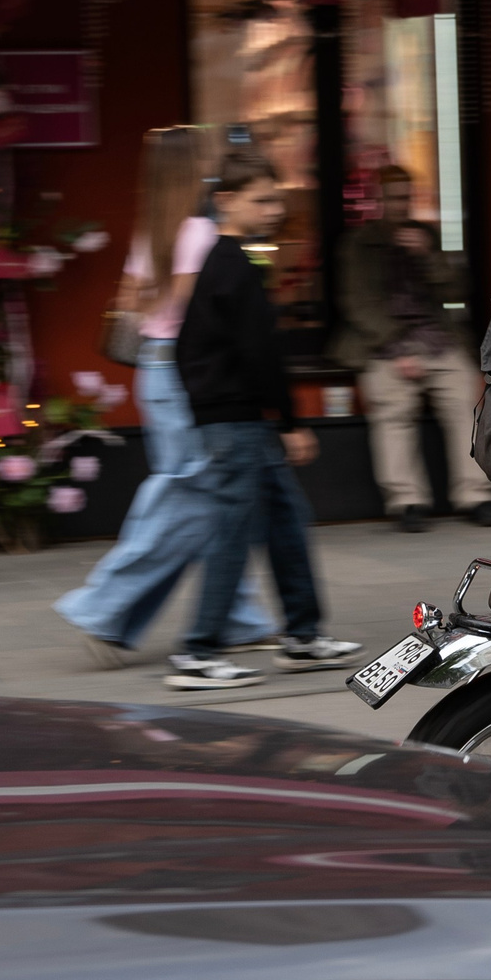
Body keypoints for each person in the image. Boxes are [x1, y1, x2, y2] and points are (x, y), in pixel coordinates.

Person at [56, 125, 275, 665]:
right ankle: (104, 607)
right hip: (185, 373)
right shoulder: (200, 230)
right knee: (189, 493)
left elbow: (134, 301)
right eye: (208, 158)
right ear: (195, 166)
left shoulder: (154, 226)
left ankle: (237, 614)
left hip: (155, 370)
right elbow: (195, 308)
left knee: (208, 492)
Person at [173, 151, 364, 690]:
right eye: (262, 199)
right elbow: (260, 352)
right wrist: (288, 421)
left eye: (276, 197)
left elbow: (191, 348)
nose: (275, 209)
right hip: (238, 422)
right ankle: (198, 651)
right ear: (226, 201)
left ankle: (302, 636)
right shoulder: (233, 264)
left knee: (285, 519)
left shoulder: (226, 260)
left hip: (235, 418)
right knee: (232, 533)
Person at [332, 164, 491, 534]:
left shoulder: (427, 236)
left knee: (464, 398)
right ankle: (406, 500)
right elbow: (356, 303)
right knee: (393, 408)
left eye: (406, 197)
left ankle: (474, 495)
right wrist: (395, 346)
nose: (400, 205)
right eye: (393, 198)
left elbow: (457, 293)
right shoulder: (358, 244)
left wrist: (430, 257)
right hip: (383, 343)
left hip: (437, 340)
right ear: (378, 200)